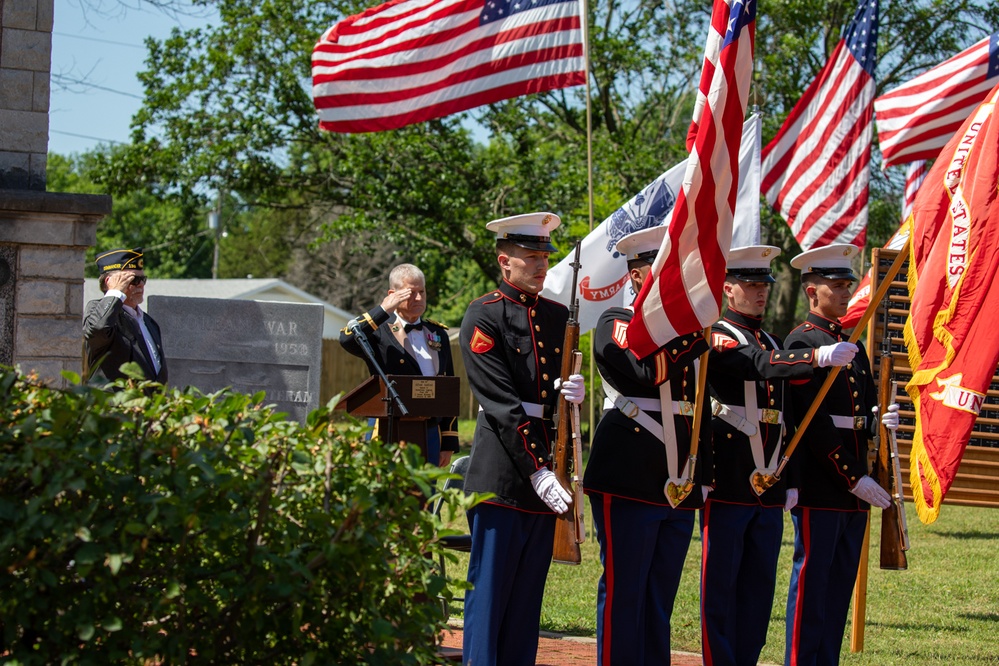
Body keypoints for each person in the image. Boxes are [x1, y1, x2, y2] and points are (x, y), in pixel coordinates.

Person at [700, 245, 857, 666]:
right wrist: (815, 356)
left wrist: (791, 480)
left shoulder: (769, 338)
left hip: (768, 479)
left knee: (757, 591)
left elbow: (788, 417)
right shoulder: (719, 334)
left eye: (763, 286)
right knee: (721, 587)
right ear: (728, 289)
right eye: (750, 286)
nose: (760, 294)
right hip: (731, 473)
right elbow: (756, 365)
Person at [458, 211, 585, 666]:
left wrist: (573, 394)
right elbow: (502, 403)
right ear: (503, 261)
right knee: (490, 598)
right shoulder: (483, 313)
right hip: (503, 475)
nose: (540, 265)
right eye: (529, 256)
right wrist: (538, 470)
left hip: (544, 472)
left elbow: (552, 394)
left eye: (544, 256)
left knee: (527, 601)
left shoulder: (554, 316)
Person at [582, 225, 712, 665]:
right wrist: (693, 337)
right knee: (626, 592)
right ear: (638, 276)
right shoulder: (615, 322)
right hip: (628, 474)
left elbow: (698, 408)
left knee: (660, 598)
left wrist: (704, 475)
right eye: (664, 270)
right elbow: (644, 371)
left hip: (676, 480)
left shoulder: (690, 332)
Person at [783, 244, 899, 666]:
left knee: (837, 593)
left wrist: (878, 419)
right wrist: (851, 477)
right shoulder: (803, 341)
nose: (846, 292)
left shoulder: (851, 344)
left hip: (854, 490)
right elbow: (812, 424)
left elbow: (861, 407)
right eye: (837, 285)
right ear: (812, 291)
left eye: (848, 284)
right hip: (822, 482)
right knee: (812, 587)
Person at [338, 263, 459, 467]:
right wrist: (383, 310)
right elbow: (346, 339)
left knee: (425, 493)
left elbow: (446, 390)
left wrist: (447, 441)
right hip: (389, 427)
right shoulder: (378, 332)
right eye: (411, 293)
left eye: (422, 291)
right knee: (387, 492)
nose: (419, 298)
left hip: (429, 429)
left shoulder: (437, 333)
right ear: (393, 294)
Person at [83, 247, 167, 385]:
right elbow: (97, 330)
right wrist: (115, 293)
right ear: (109, 282)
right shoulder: (97, 311)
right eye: (133, 279)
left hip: (142, 405)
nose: (140, 284)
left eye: (142, 279)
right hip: (113, 404)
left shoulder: (149, 322)